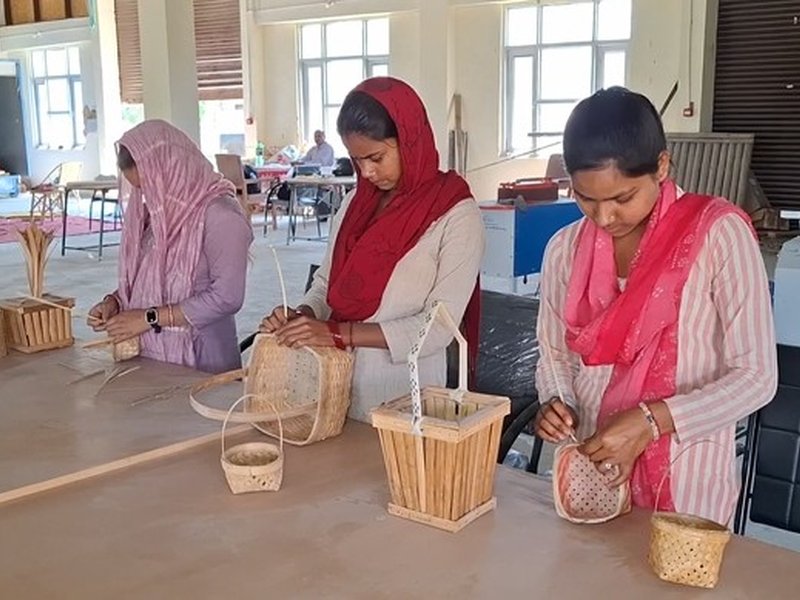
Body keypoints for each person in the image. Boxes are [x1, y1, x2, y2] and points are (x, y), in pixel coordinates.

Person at [532, 87, 777, 525]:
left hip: (687, 480)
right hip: (593, 475)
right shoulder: (564, 250)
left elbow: (757, 377)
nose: (604, 217)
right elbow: (554, 354)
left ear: (661, 166)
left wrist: (652, 421)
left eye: (622, 198)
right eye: (586, 198)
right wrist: (558, 402)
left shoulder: (718, 235)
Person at [260, 77, 485, 422]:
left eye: (376, 157)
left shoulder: (456, 215)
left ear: (409, 141)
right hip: (334, 384)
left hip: (404, 396)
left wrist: (338, 333)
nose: (366, 172)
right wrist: (304, 315)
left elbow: (439, 327)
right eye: (356, 160)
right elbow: (326, 283)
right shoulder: (355, 204)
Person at [87, 119, 254, 373]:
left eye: (152, 186)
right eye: (142, 190)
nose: (149, 197)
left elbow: (227, 297)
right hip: (154, 355)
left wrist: (149, 318)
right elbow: (152, 278)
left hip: (202, 358)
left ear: (174, 169)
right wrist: (115, 301)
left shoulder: (221, 215)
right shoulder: (163, 212)